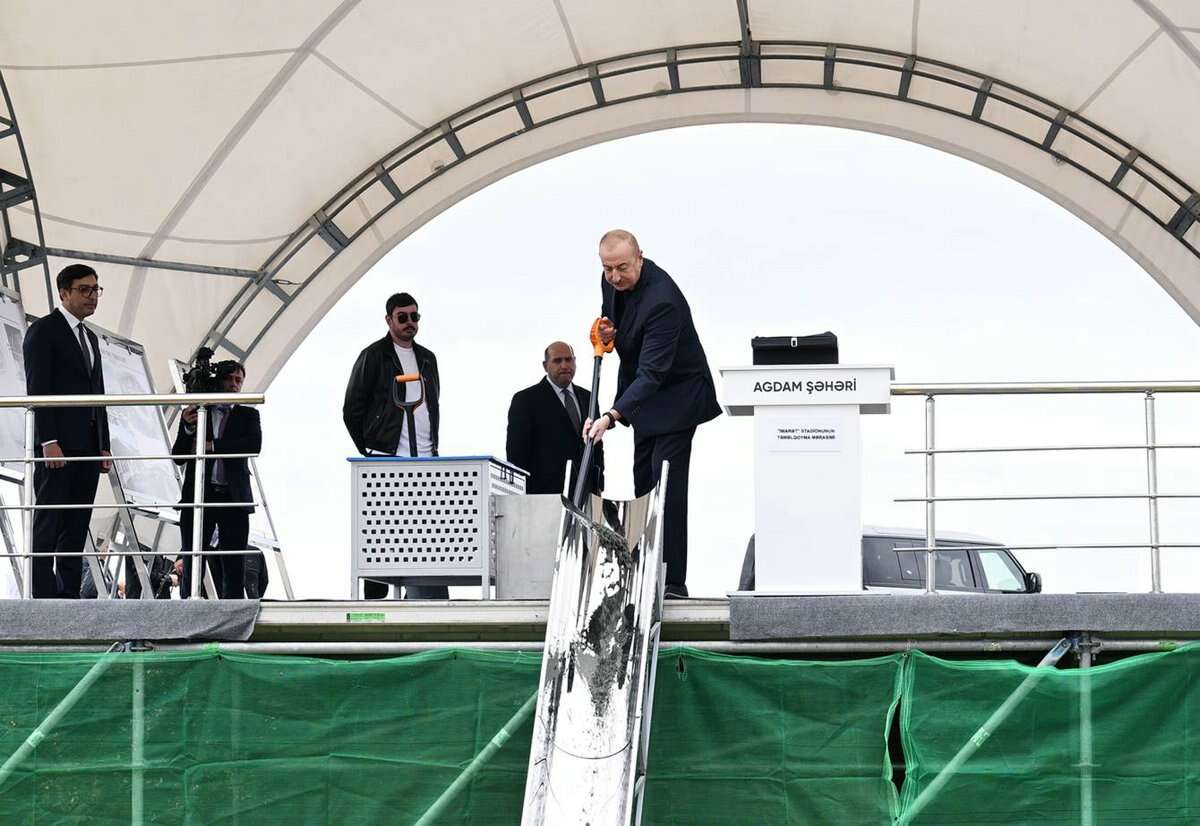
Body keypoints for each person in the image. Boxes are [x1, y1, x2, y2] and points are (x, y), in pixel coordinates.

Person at [584, 230, 721, 598]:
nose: (614, 276)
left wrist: (610, 416)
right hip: (643, 399)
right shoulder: (609, 280)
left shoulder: (663, 302)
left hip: (677, 397)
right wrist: (608, 331)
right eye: (608, 268)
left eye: (622, 268)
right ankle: (645, 571)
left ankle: (672, 581)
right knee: (643, 481)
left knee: (666, 486)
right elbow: (617, 323)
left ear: (640, 257)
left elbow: (653, 373)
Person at [343, 292, 446, 600]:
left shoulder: (427, 358)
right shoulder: (374, 355)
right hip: (385, 457)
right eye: (403, 317)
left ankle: (420, 598)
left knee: (424, 530)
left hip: (425, 457)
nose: (409, 322)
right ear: (389, 320)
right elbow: (352, 408)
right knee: (381, 532)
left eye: (415, 316)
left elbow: (434, 403)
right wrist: (371, 448)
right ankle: (375, 605)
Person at [22, 263, 112, 598]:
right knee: (49, 521)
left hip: (88, 445)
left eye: (95, 289)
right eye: (84, 289)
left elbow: (98, 393)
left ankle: (69, 595)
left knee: (77, 523)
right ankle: (44, 596)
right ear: (63, 293)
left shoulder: (91, 337)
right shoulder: (44, 330)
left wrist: (103, 444)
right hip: (57, 444)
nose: (92, 296)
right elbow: (38, 389)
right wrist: (48, 440)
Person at [173, 360, 261, 599]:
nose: (234, 384)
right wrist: (187, 426)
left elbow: (253, 445)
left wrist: (212, 446)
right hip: (200, 495)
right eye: (229, 379)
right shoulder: (199, 412)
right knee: (193, 560)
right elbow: (178, 455)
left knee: (234, 564)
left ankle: (232, 612)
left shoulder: (248, 414)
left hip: (234, 497)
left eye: (238, 380)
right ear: (218, 381)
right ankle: (189, 608)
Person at [506, 341, 604, 496]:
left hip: (584, 494)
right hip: (543, 495)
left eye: (568, 360)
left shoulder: (589, 398)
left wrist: (598, 485)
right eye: (557, 361)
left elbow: (597, 447)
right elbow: (517, 454)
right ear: (545, 366)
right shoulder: (526, 400)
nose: (564, 365)